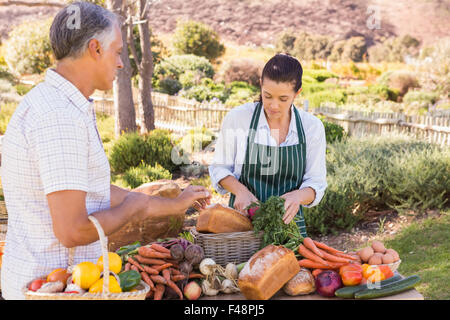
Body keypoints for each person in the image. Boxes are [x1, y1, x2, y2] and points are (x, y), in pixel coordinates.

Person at [0, 1, 211, 300]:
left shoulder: (56, 103)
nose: (121, 63)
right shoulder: (59, 117)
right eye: (118, 52)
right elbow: (72, 231)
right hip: (48, 290)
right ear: (96, 49)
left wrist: (175, 203)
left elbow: (93, 190)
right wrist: (132, 210)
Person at [209, 53, 327, 237]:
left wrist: (298, 196)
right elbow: (219, 168)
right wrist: (241, 192)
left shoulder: (312, 127)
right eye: (268, 95)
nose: (273, 105)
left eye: (283, 99)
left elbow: (316, 182)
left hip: (290, 231)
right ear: (260, 85)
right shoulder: (239, 118)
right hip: (241, 227)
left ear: (297, 93)